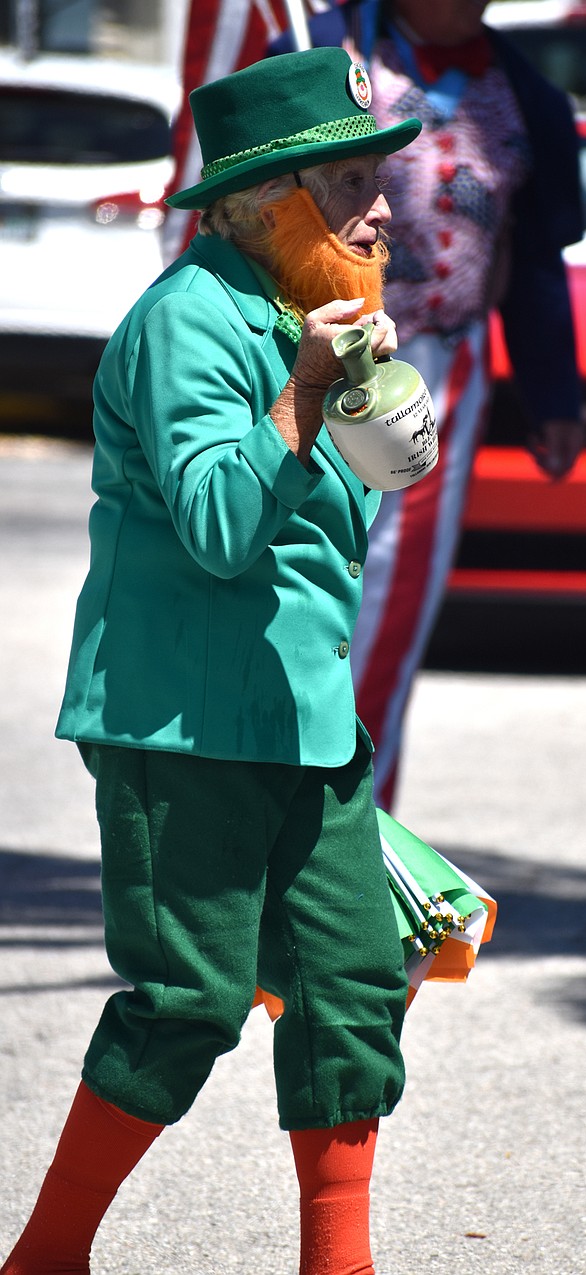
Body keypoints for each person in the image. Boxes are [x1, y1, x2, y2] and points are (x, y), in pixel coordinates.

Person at [1, 47, 422, 1275]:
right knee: (189, 1001)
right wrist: (302, 394)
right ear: (267, 202)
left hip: (304, 720)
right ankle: (45, 1259)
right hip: (182, 726)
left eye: (374, 179)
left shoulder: (300, 310)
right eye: (348, 183)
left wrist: (366, 401)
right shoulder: (188, 320)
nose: (380, 206)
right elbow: (223, 532)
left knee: (353, 989)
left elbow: (332, 534)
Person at [270, 0, 586, 810]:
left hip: (434, 369)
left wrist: (553, 393)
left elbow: (538, 254)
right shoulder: (319, 50)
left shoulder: (525, 94)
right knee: (284, 586)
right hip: (295, 354)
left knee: (384, 604)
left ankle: (352, 827)